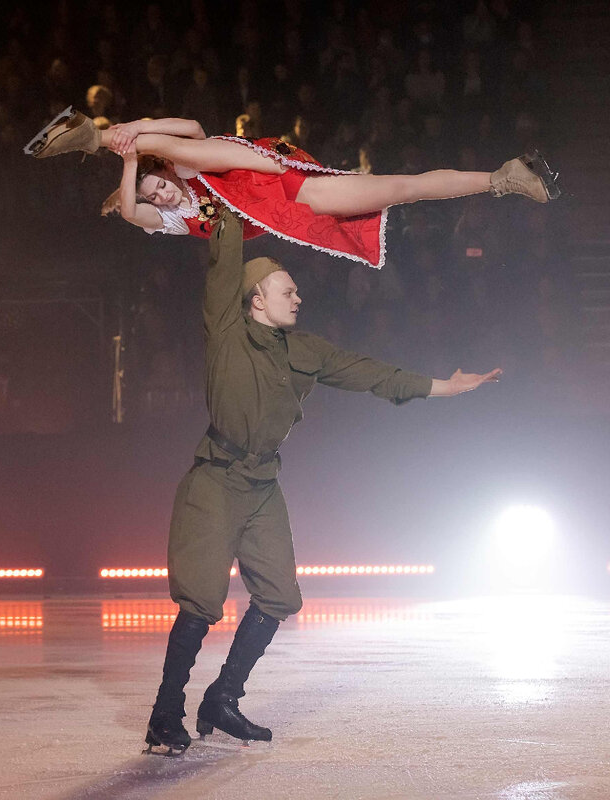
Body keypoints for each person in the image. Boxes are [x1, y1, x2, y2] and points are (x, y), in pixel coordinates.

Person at [141, 208, 501, 755]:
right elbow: (224, 258)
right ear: (256, 300)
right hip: (215, 480)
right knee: (200, 603)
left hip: (262, 483)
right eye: (287, 290)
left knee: (281, 596)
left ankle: (222, 698)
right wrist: (225, 193)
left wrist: (439, 388)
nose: (298, 297)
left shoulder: (305, 351)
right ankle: (165, 717)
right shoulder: (226, 333)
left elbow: (368, 372)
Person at [25, 109, 559, 269]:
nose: (159, 195)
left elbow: (187, 128)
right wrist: (133, 164)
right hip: (294, 197)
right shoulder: (166, 218)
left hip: (248, 167)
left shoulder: (185, 172)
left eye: (155, 187)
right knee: (402, 189)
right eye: (152, 196)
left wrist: (132, 135)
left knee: (191, 156)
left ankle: (95, 137)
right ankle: (504, 177)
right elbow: (128, 211)